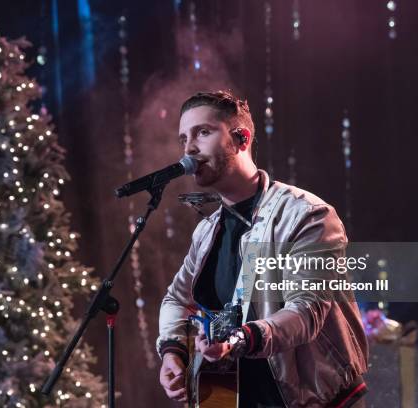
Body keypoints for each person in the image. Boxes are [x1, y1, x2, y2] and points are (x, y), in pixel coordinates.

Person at [156, 90, 368, 407]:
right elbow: (177, 297)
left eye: (203, 132)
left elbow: (306, 310)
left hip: (317, 401)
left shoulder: (307, 215)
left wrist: (241, 339)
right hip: (232, 397)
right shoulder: (206, 231)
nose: (189, 148)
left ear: (242, 138)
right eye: (183, 137)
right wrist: (173, 351)